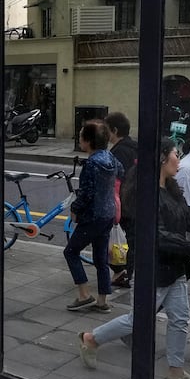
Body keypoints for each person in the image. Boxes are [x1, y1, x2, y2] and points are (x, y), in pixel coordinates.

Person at [79, 138, 190, 379]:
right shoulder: (145, 194)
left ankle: (176, 371)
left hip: (175, 266)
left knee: (180, 318)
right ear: (162, 158)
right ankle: (91, 338)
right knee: (138, 320)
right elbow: (160, 238)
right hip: (151, 268)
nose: (179, 160)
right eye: (176, 154)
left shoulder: (172, 189)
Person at [64, 119, 123, 312]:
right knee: (100, 259)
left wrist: (75, 209)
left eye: (81, 135)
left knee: (71, 251)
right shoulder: (111, 158)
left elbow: (87, 193)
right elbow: (122, 172)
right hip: (108, 214)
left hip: (92, 217)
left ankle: (83, 294)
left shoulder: (91, 164)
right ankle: (102, 301)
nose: (79, 138)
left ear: (88, 141)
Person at [105, 112, 136, 288]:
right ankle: (126, 273)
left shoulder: (116, 152)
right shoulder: (135, 146)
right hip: (139, 201)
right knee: (132, 240)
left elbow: (115, 182)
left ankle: (126, 274)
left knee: (127, 241)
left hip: (125, 204)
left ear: (115, 130)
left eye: (107, 130)